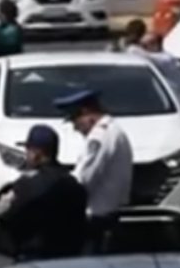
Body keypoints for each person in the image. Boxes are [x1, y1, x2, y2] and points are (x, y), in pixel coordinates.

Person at [0, 125, 88, 261]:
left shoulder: (25, 185)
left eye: (28, 150)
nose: (26, 154)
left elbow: (2, 213)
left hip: (34, 257)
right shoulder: (72, 183)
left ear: (36, 154)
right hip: (68, 259)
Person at [56, 88, 134, 250]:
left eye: (74, 120)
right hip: (110, 215)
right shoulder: (114, 130)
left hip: (98, 220)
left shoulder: (99, 137)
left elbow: (83, 179)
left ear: (86, 113)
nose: (75, 128)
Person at [139, 31, 180, 106]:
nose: (142, 48)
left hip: (175, 103)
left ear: (155, 44)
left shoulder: (167, 58)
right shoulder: (159, 57)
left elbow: (144, 56)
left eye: (144, 45)